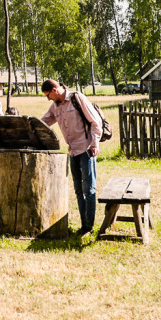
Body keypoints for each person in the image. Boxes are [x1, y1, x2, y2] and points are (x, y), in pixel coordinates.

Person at [40, 78, 103, 236]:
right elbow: (44, 122)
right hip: (72, 151)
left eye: (48, 95)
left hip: (86, 149)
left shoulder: (77, 98)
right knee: (78, 190)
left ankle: (89, 227)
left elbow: (95, 122)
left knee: (89, 189)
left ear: (55, 90)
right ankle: (83, 225)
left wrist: (95, 144)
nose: (48, 99)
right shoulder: (55, 106)